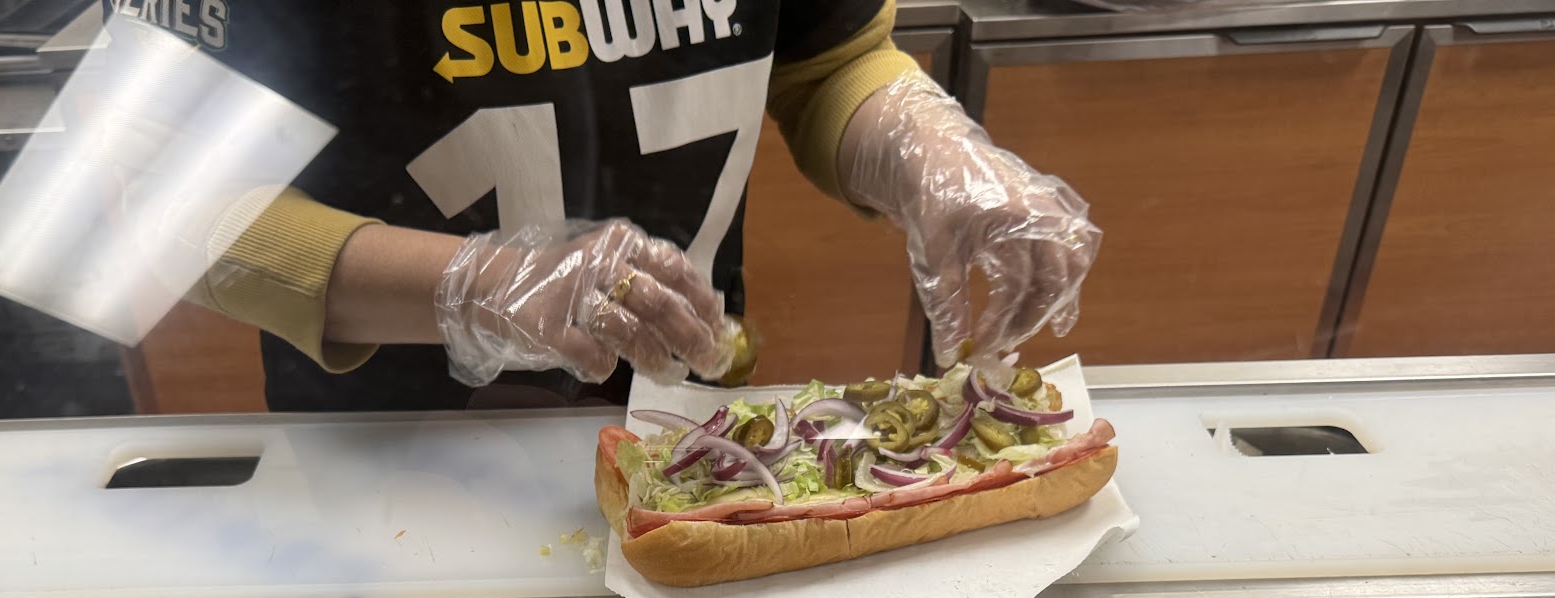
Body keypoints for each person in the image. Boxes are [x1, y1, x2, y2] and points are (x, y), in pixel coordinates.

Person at [110, 0, 1099, 410]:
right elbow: (155, 194)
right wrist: (473, 287)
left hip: (683, 420)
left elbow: (826, 59)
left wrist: (929, 148)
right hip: (387, 452)